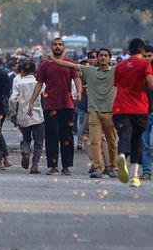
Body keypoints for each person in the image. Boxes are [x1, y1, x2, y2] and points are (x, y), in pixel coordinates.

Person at [45, 48, 118, 178]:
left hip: (110, 111)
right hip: (94, 111)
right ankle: (98, 168)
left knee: (111, 141)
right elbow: (71, 65)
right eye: (100, 55)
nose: (102, 58)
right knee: (94, 141)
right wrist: (54, 60)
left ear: (109, 58)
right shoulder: (89, 71)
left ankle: (111, 167)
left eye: (105, 55)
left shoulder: (115, 71)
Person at [27, 38, 82, 176]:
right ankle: (53, 166)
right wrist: (31, 102)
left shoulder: (70, 63)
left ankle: (66, 166)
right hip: (50, 105)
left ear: (64, 47)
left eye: (60, 44)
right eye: (55, 45)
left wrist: (80, 92)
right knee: (52, 136)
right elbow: (39, 84)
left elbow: (77, 79)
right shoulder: (45, 65)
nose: (57, 47)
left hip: (67, 105)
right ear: (51, 47)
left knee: (67, 136)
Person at [112, 38, 153, 187]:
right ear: (142, 52)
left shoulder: (120, 66)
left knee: (124, 135)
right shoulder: (145, 64)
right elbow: (150, 83)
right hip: (139, 108)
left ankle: (122, 155)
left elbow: (116, 85)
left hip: (120, 108)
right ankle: (134, 176)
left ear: (129, 51)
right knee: (137, 139)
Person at [8, 61, 45, 174]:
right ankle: (34, 166)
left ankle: (26, 151)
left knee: (26, 139)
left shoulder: (19, 83)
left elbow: (12, 99)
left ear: (22, 71)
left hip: (23, 116)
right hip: (38, 116)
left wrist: (13, 113)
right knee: (39, 142)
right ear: (35, 71)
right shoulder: (40, 83)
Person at [140, 45, 153, 180]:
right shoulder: (138, 72)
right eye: (145, 56)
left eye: (149, 55)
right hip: (143, 112)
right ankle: (147, 171)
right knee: (145, 145)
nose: (147, 58)